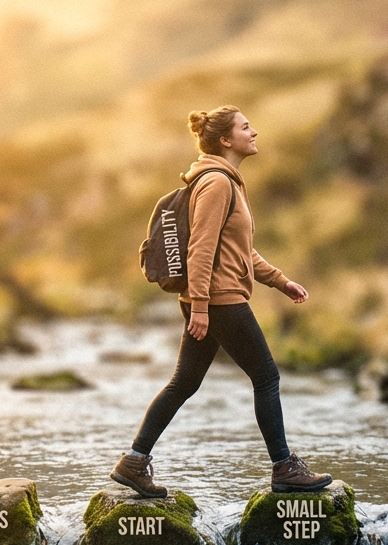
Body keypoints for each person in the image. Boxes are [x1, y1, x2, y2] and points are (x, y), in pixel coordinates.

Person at [110, 106, 332, 497]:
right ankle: (284, 468)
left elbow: (240, 250)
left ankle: (134, 461)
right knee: (266, 377)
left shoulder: (226, 181)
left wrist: (281, 282)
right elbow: (200, 248)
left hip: (211, 298)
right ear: (226, 140)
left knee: (183, 383)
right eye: (246, 127)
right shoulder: (216, 183)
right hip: (219, 300)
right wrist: (199, 306)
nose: (254, 132)